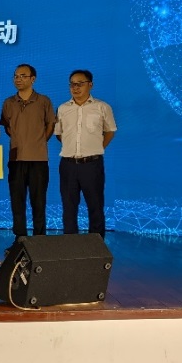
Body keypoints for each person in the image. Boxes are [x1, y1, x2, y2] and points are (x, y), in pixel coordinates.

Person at [55, 69, 117, 238]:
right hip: (67, 165)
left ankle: (96, 246)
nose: (75, 88)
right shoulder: (62, 109)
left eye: (80, 84)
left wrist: (95, 148)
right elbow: (59, 134)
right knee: (69, 208)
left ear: (90, 85)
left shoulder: (102, 107)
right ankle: (71, 245)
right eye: (72, 84)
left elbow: (110, 131)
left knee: (95, 206)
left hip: (92, 164)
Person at [0, 63, 55, 239]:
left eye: (23, 76)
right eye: (16, 76)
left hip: (38, 159)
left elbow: (50, 126)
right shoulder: (8, 102)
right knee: (17, 201)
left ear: (33, 79)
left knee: (39, 202)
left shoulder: (44, 101)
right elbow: (7, 127)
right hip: (16, 159)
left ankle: (39, 240)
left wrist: (38, 141)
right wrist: (20, 140)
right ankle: (20, 239)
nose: (18, 79)